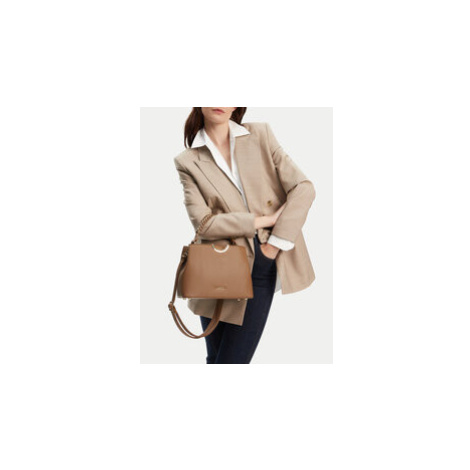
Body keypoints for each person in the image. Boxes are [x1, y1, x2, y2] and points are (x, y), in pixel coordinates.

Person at [174, 107, 316, 364]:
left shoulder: (260, 135)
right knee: (217, 361)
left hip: (259, 262)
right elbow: (204, 224)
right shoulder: (188, 161)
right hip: (214, 267)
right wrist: (262, 221)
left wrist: (272, 248)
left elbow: (304, 189)